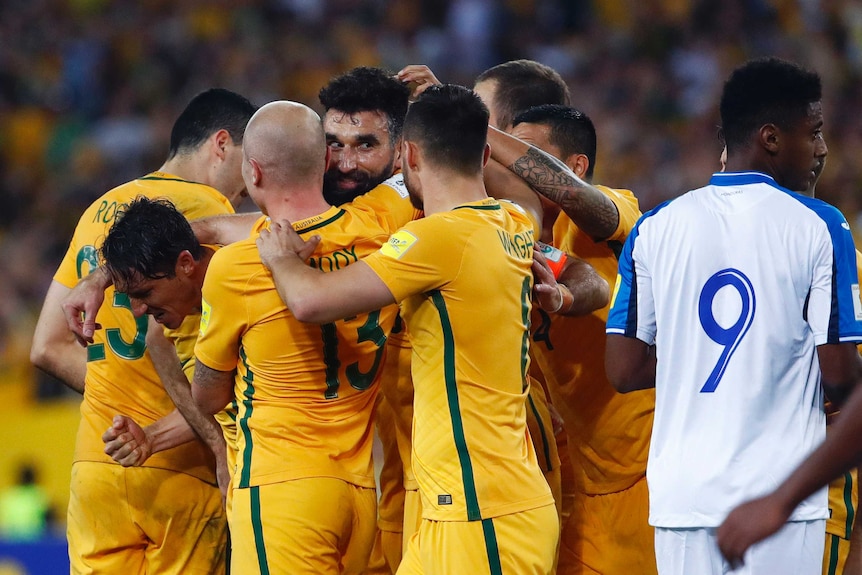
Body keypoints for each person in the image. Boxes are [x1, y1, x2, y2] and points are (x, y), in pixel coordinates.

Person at [256, 84, 558, 574]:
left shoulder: (433, 238)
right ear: (483, 154)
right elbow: (526, 191)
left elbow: (311, 302)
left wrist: (279, 260)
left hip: (477, 509)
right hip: (479, 502)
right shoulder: (515, 221)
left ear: (407, 155)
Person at [606, 57, 861, 574]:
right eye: (812, 132)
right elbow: (839, 378)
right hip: (777, 503)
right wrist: (772, 351)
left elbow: (624, 370)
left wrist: (699, 351)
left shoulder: (654, 228)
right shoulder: (821, 225)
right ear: (770, 137)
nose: (821, 149)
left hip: (680, 500)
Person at [189, 100, 422, 574]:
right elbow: (411, 175)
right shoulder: (379, 227)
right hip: (359, 494)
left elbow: (208, 396)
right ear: (325, 162)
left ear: (252, 171)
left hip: (282, 490)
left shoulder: (237, 267)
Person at [29, 87, 256, 574]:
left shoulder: (100, 210)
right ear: (221, 144)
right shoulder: (211, 212)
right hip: (184, 466)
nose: (251, 180)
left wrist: (119, 400)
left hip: (98, 462)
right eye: (248, 159)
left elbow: (46, 347)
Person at [503, 103, 654, 574]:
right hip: (585, 485)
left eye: (525, 153)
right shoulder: (512, 242)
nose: (509, 165)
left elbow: (594, 281)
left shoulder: (612, 210)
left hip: (649, 473)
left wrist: (466, 119)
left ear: (575, 165)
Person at [0, 463, 53, 541]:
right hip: (35, 543)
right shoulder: (39, 495)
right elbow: (50, 522)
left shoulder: (6, 496)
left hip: (8, 542)